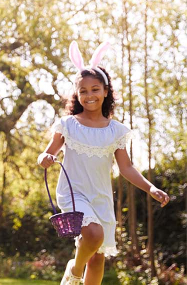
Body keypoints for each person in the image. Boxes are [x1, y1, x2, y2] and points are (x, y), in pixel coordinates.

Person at [37, 41, 170, 285]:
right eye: (84, 91)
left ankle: (79, 271)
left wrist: (150, 188)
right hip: (74, 193)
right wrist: (45, 159)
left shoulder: (116, 131)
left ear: (106, 91)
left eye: (95, 89)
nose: (90, 95)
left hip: (101, 197)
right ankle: (74, 271)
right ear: (77, 94)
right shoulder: (68, 125)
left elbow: (126, 167)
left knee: (97, 259)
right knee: (93, 233)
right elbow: (46, 155)